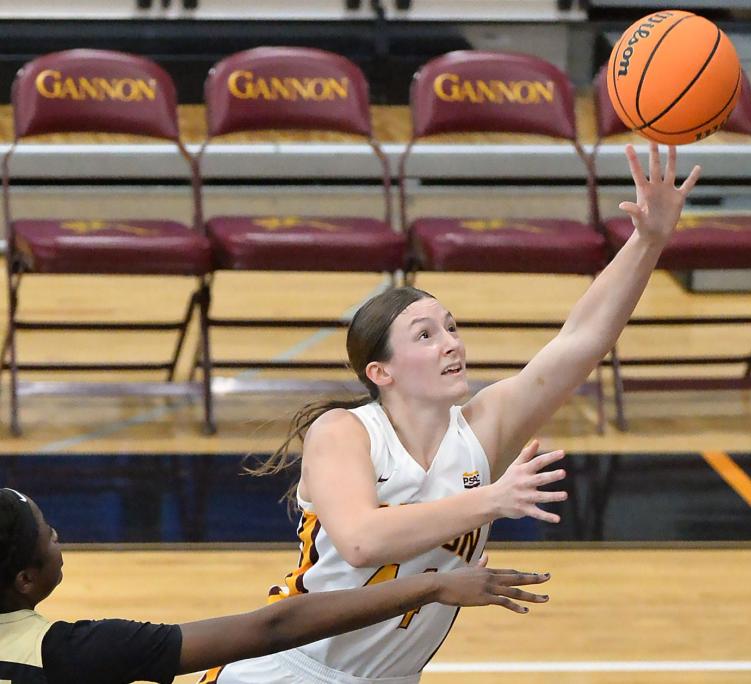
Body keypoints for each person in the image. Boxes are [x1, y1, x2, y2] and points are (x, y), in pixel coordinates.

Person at [209, 144, 701, 683]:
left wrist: (648, 240)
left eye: (451, 327)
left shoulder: (483, 429)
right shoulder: (344, 432)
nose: (451, 344)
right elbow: (361, 540)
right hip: (294, 669)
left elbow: (581, 339)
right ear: (381, 372)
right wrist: (492, 499)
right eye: (426, 335)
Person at [0, 488, 551, 684]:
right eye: (48, 535)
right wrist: (430, 588)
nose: (57, 537)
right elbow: (276, 625)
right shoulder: (78, 653)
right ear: (27, 579)